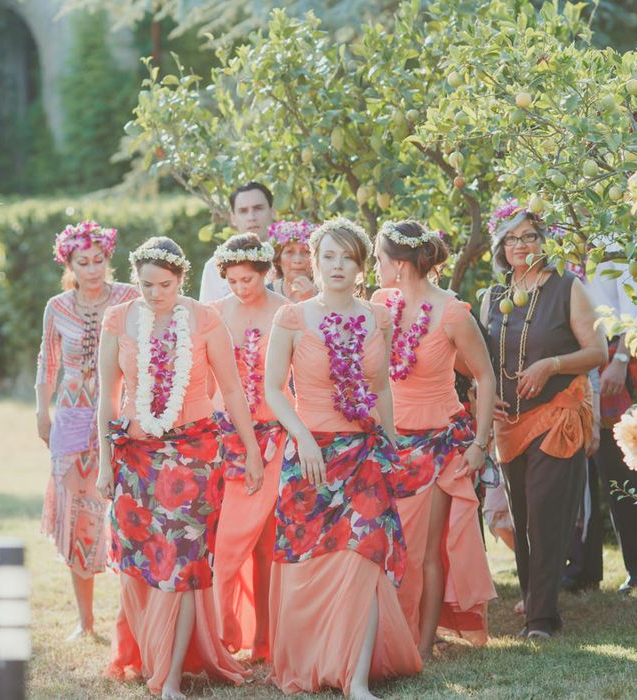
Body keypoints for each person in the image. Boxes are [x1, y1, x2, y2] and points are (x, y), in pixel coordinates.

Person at [96, 237, 263, 699]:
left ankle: (169, 678)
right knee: (143, 561)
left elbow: (231, 392)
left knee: (185, 565)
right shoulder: (119, 319)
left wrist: (250, 449)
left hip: (194, 456)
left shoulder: (206, 320)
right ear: (136, 279)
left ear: (181, 279)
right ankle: (152, 654)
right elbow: (107, 399)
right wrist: (106, 464)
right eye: (146, 284)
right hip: (136, 458)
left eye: (164, 285)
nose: (154, 293)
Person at [265, 218, 422, 699]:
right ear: (314, 262)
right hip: (309, 456)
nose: (337, 266)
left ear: (361, 266)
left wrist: (392, 443)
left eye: (347, 258)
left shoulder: (379, 318)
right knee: (307, 565)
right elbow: (273, 389)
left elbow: (381, 389)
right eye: (328, 257)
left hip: (364, 456)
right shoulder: (292, 318)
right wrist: (302, 439)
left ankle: (354, 679)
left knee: (364, 557)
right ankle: (314, 660)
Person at [480, 200, 607, 639]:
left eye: (529, 236)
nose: (520, 245)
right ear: (500, 245)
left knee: (545, 516)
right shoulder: (491, 297)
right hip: (508, 424)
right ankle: (538, 604)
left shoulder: (567, 287)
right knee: (521, 515)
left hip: (557, 416)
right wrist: (485, 395)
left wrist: (551, 365)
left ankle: (541, 620)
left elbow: (598, 351)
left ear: (543, 241)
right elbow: (480, 363)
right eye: (511, 238)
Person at [371, 220, 497, 659]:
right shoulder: (379, 304)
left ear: (400, 264)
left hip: (439, 442)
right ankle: (388, 633)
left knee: (426, 550)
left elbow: (484, 375)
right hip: (387, 440)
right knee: (387, 542)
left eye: (378, 258)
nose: (374, 266)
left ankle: (421, 647)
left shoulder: (452, 312)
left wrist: (480, 444)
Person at [36, 220, 138, 640]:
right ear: (70, 264)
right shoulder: (57, 306)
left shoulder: (129, 298)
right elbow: (48, 360)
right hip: (73, 419)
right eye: (84, 262)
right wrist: (41, 410)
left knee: (126, 512)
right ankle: (86, 620)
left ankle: (130, 618)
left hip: (120, 418)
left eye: (99, 260)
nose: (93, 269)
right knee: (78, 515)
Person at [208, 234, 290, 661]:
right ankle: (221, 635)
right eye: (233, 281)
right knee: (225, 543)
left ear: (266, 271)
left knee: (267, 543)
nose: (241, 288)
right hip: (225, 439)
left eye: (248, 279)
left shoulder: (285, 312)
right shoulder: (215, 313)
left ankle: (266, 640)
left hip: (275, 437)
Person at [563, 254, 637, 593]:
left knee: (619, 470)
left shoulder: (618, 244)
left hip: (615, 357)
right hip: (575, 360)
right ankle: (583, 570)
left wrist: (620, 360)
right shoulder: (561, 241)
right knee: (579, 470)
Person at [199, 182, 276, 302]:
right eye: (243, 211)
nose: (251, 217)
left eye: (258, 208)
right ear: (233, 218)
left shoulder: (292, 257)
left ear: (272, 212)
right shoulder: (214, 266)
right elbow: (206, 317)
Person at [267, 219, 317, 302]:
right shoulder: (266, 293)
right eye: (289, 252)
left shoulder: (327, 293)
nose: (297, 260)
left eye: (306, 252)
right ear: (278, 259)